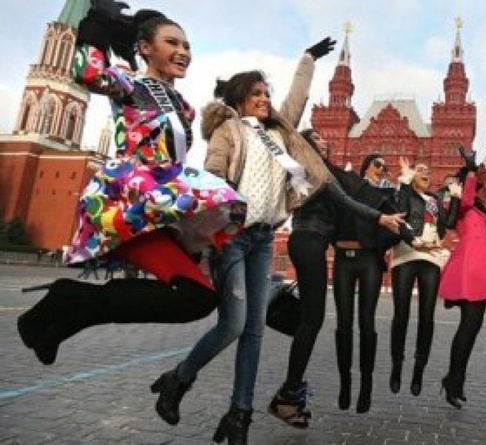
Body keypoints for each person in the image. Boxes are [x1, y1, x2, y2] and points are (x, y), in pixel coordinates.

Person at [17, 4, 245, 366]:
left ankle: (69, 306)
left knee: (198, 297)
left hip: (164, 205)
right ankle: (68, 304)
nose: (184, 52)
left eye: (187, 45)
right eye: (173, 42)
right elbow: (87, 72)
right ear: (144, 48)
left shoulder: (183, 105)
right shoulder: (130, 83)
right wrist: (96, 27)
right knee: (196, 297)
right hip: (131, 200)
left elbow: (174, 160)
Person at [149, 36, 335, 443]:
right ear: (240, 98)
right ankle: (178, 379)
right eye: (256, 94)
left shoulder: (278, 132)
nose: (265, 100)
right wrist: (205, 231)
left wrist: (307, 60)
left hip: (264, 238)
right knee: (233, 325)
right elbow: (213, 178)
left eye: (267, 93)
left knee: (253, 331)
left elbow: (297, 100)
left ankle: (239, 415)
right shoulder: (229, 131)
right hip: (232, 237)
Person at [268, 129, 405, 428]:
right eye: (317, 138)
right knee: (312, 321)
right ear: (306, 145)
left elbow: (350, 191)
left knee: (312, 319)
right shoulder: (310, 168)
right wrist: (380, 217)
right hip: (309, 240)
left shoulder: (312, 170)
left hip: (310, 243)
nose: (325, 140)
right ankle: (288, 395)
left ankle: (292, 393)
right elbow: (344, 200)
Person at [332, 153, 411, 414]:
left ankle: (366, 384)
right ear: (366, 166)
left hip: (369, 261)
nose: (382, 169)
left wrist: (375, 246)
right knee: (343, 324)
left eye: (385, 167)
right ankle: (345, 383)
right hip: (343, 258)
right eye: (378, 164)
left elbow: (399, 226)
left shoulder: (386, 196)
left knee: (367, 323)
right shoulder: (349, 186)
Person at [438, 153, 486, 410]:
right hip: (470, 267)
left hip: (482, 268)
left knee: (472, 327)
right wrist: (468, 173)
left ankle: (455, 379)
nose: (480, 181)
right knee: (468, 327)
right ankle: (454, 380)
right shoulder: (460, 202)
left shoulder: (480, 209)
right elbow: (465, 200)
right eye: (476, 178)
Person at [388, 157, 452, 397]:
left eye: (428, 170)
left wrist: (454, 198)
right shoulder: (406, 194)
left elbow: (446, 225)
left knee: (427, 316)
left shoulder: (435, 200)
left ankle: (418, 370)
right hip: (406, 252)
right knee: (401, 314)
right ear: (413, 176)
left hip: (431, 256)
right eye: (421, 170)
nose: (426, 172)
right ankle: (397, 366)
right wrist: (404, 180)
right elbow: (400, 213)